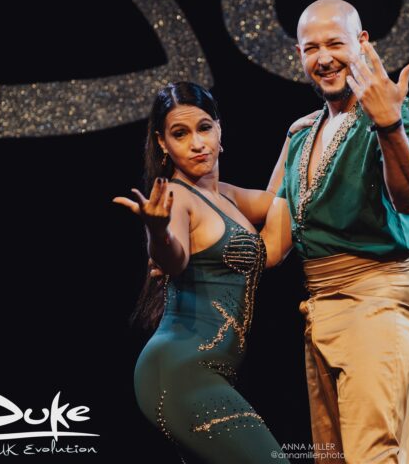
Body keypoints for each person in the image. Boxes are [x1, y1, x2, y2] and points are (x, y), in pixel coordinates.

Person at [262, 0, 409, 463]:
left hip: (376, 300)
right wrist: (193, 213)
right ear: (299, 54)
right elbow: (273, 243)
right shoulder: (303, 133)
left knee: (372, 454)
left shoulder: (398, 115)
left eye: (335, 43)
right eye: (311, 48)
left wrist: (389, 125)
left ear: (362, 42)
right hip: (320, 308)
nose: (324, 58)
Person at [114, 82, 310, 463]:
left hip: (207, 372)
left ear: (220, 129)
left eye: (204, 128)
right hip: (178, 373)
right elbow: (174, 259)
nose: (196, 143)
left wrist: (292, 140)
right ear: (162, 143)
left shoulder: (227, 197)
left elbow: (276, 203)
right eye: (180, 134)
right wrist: (157, 233)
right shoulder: (177, 198)